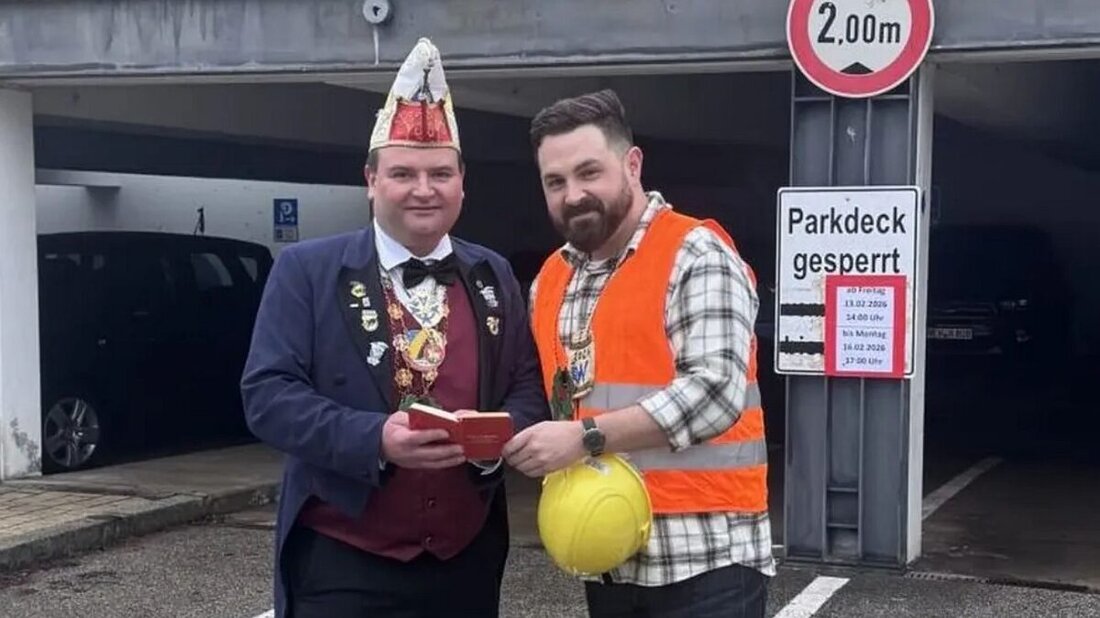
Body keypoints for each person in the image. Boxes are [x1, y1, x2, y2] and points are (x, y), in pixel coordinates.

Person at [241, 38, 548, 618]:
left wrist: (493, 443)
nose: (423, 189)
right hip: (343, 555)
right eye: (403, 172)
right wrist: (374, 438)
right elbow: (268, 397)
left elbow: (527, 386)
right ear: (371, 180)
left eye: (439, 173)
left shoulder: (494, 273)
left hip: (467, 559)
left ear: (462, 181)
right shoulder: (306, 271)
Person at [503, 89, 775, 617]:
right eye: (555, 182)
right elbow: (553, 398)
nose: (573, 194)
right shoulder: (552, 280)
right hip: (606, 552)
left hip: (706, 560)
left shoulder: (695, 253)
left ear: (632, 164)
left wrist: (584, 439)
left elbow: (715, 391)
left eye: (589, 172)